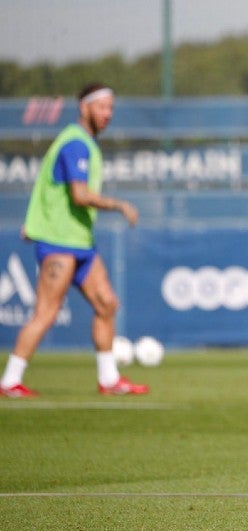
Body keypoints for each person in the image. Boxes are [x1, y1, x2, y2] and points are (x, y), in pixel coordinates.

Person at [0, 83, 147, 398]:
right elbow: (79, 196)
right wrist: (119, 205)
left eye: (111, 108)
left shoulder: (86, 143)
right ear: (84, 107)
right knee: (46, 313)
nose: (108, 114)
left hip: (80, 242)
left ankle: (109, 380)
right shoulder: (75, 144)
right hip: (58, 242)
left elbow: (46, 189)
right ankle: (9, 381)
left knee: (107, 303)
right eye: (102, 107)